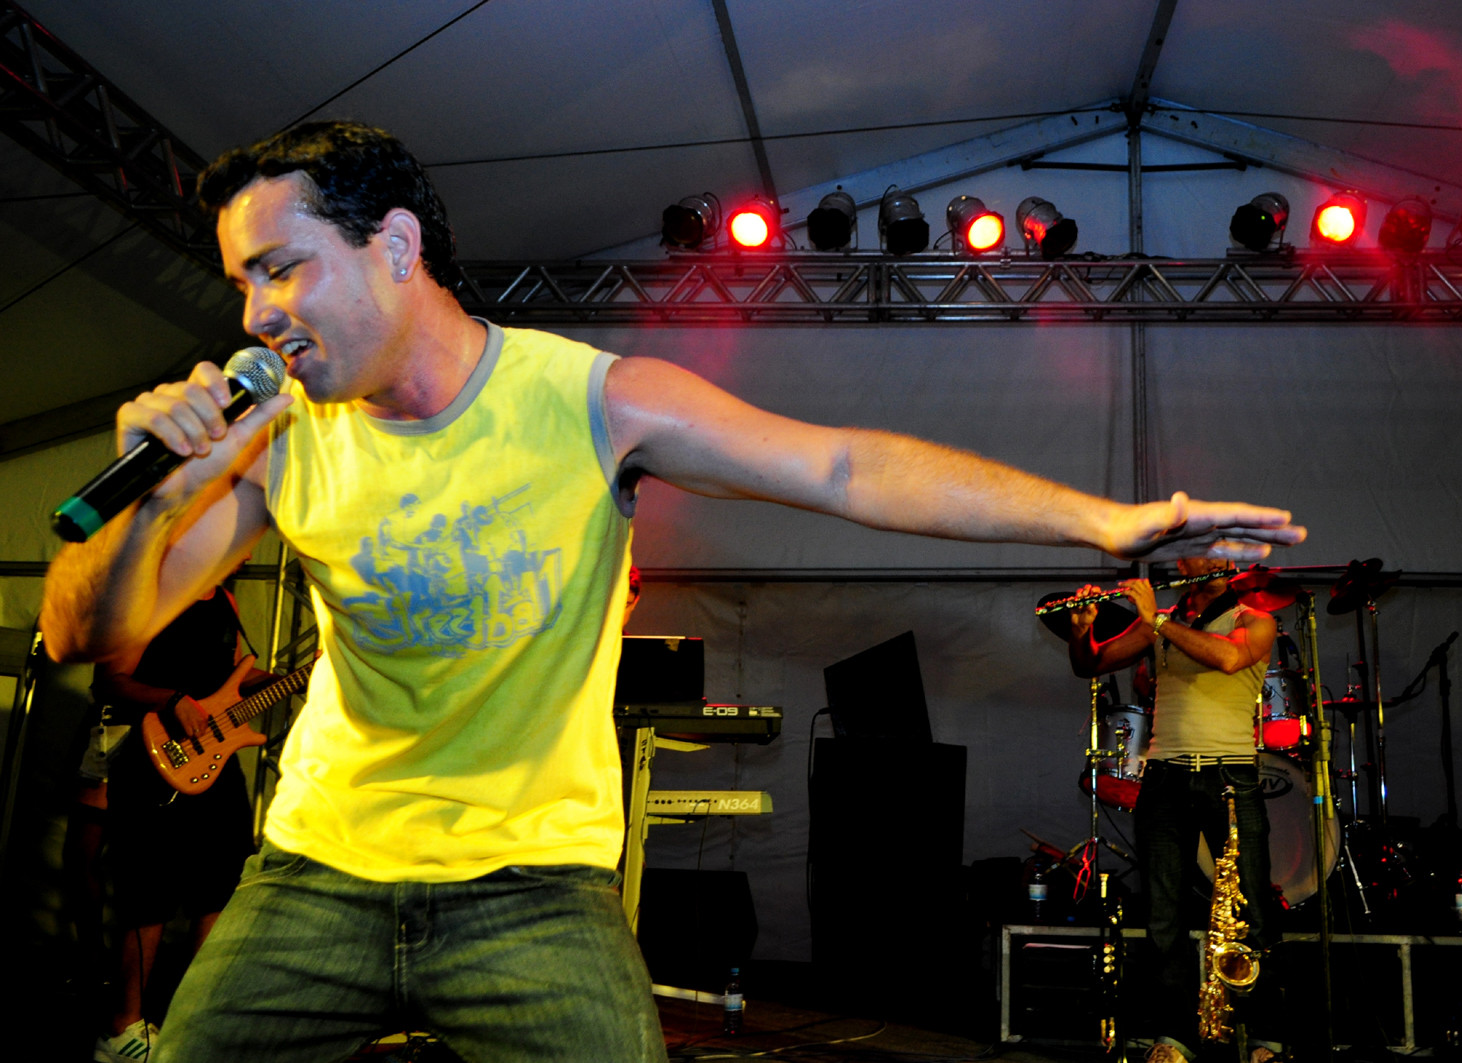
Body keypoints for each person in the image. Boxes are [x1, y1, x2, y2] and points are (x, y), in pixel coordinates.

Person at [38, 121, 1304, 1063]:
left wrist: (1107, 522)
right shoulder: (276, 439)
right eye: (244, 283)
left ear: (397, 247)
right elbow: (80, 631)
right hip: (317, 867)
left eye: (280, 269)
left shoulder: (594, 403)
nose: (258, 314)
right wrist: (158, 486)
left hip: (531, 884)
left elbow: (841, 463)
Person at [1060, 558, 1283, 1063]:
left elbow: (1228, 660)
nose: (1209, 564)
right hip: (1165, 774)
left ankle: (1266, 1035)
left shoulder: (1254, 619)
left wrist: (1158, 621)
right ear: (1183, 564)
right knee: (1164, 914)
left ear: (1231, 566)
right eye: (1198, 555)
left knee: (1254, 908)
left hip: (1230, 774)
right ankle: (1174, 1036)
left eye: (1218, 556)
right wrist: (1082, 632)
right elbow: (1090, 664)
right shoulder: (1162, 620)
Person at [89, 582, 269, 1062]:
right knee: (151, 887)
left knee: (223, 882)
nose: (249, 554)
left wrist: (290, 679)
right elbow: (108, 679)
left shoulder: (227, 602)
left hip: (214, 758)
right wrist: (172, 700)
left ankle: (196, 1018)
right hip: (153, 752)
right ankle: (121, 1031)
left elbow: (228, 678)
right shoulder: (152, 594)